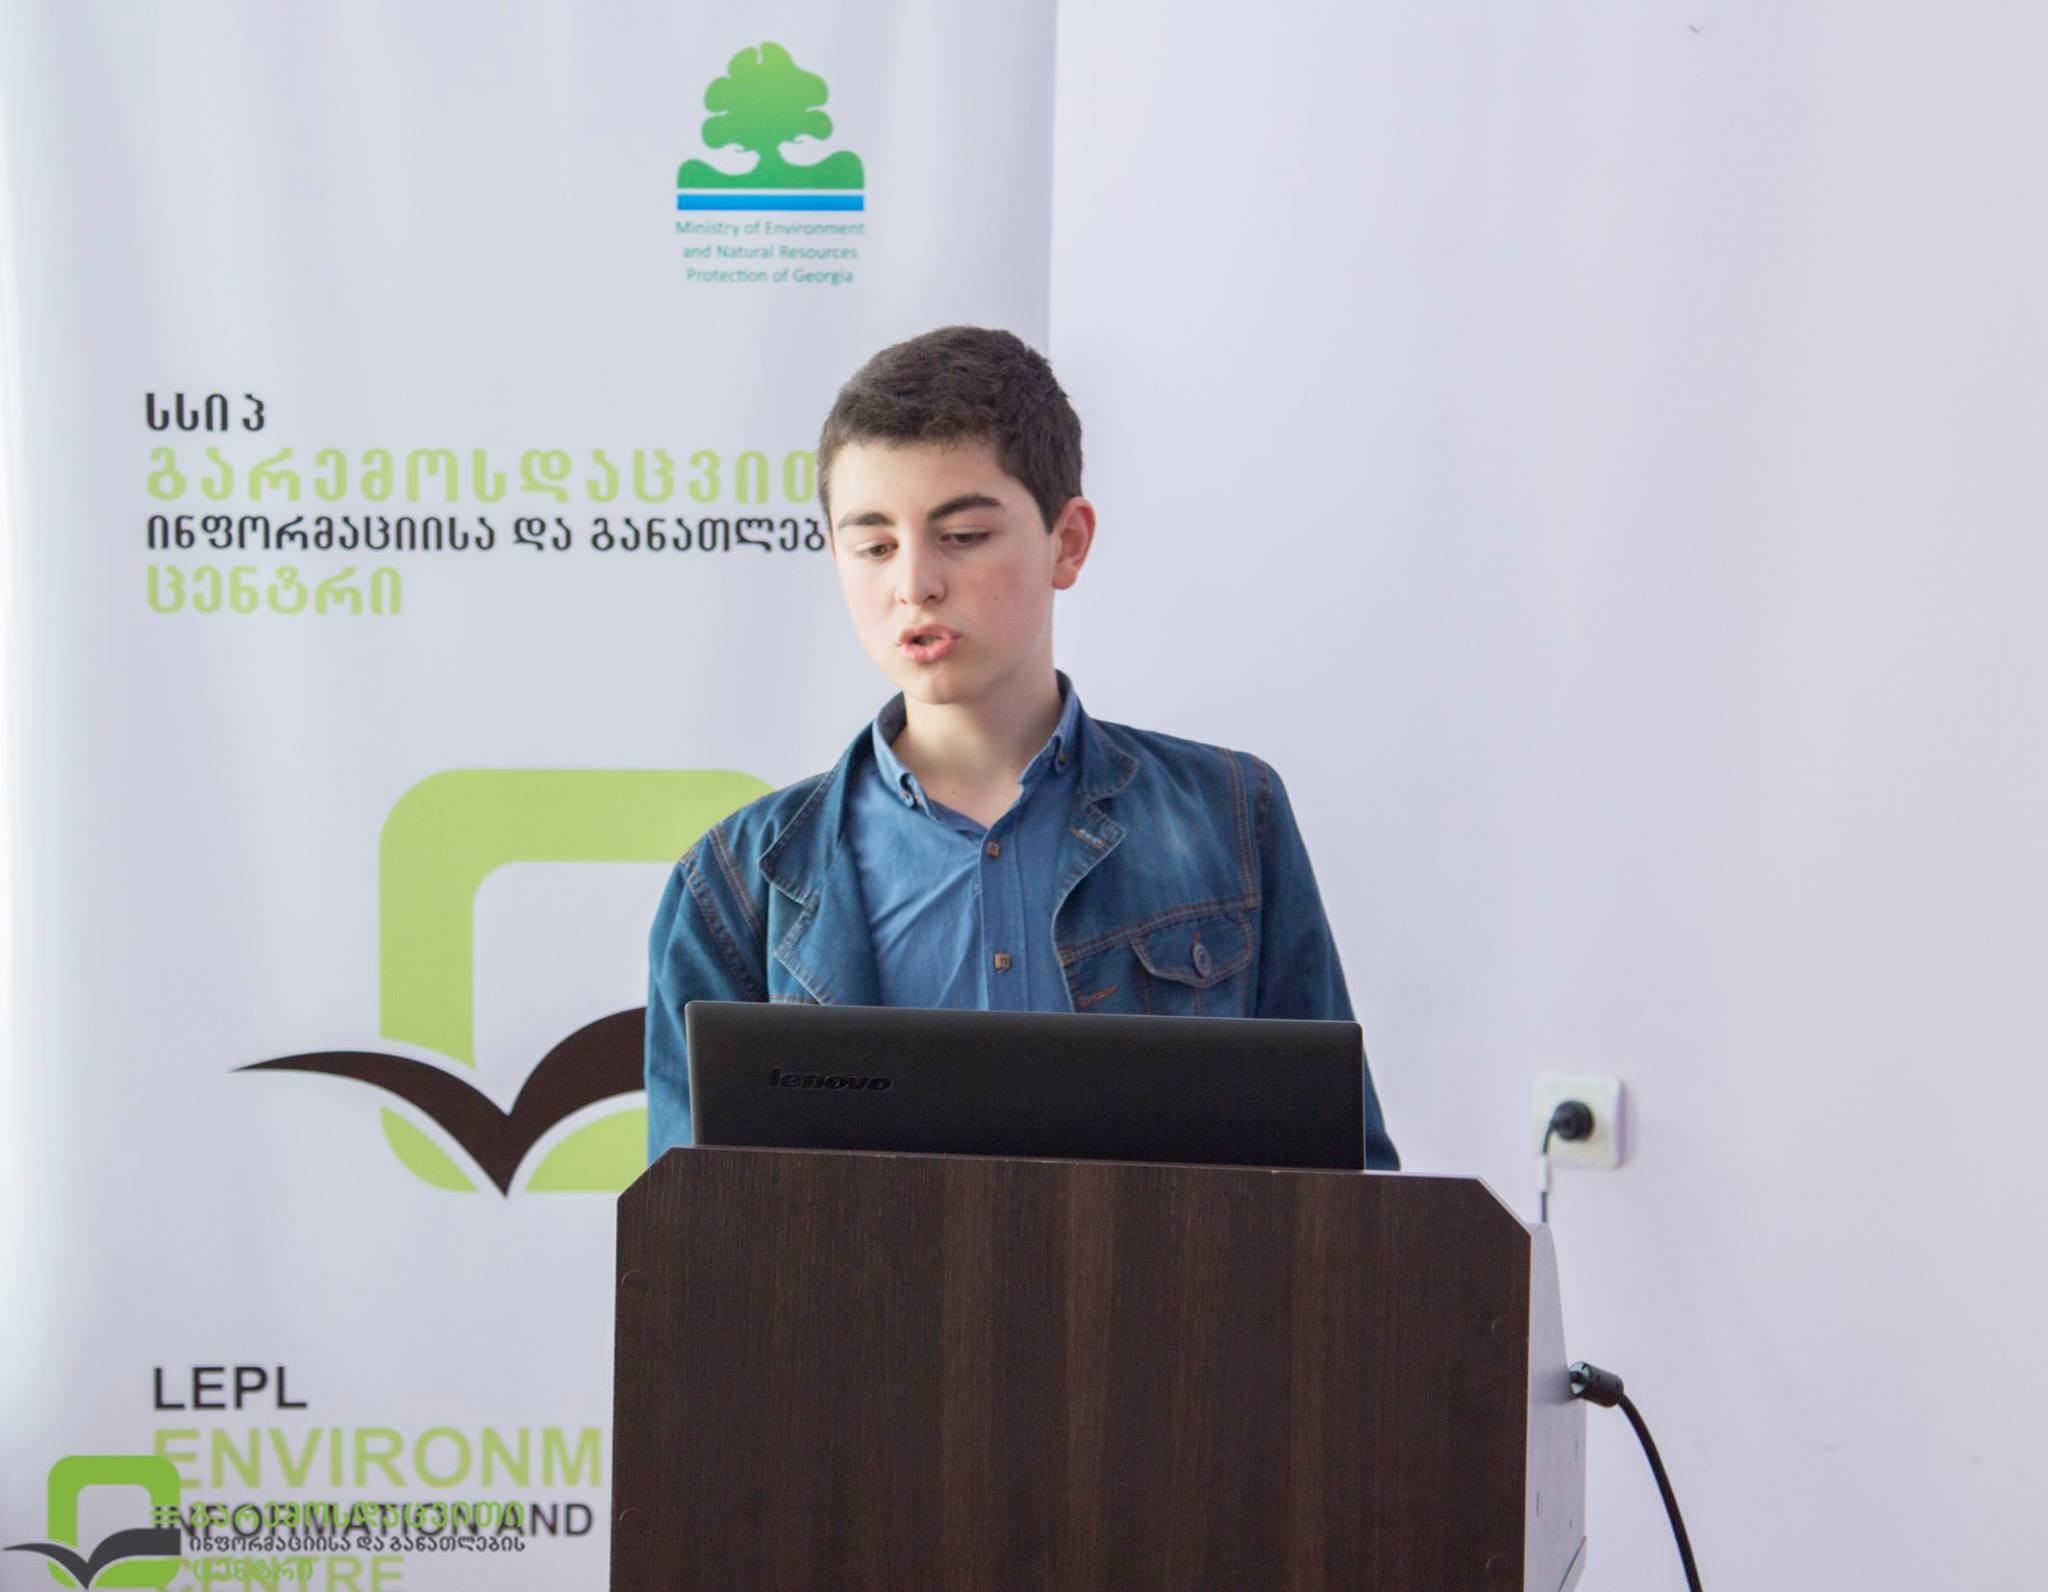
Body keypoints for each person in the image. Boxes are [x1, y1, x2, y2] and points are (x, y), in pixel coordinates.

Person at [645, 326, 1397, 1168]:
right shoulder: (737, 882)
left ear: (1066, 541)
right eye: (874, 546)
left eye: (962, 536)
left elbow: (1345, 1184)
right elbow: (694, 1228)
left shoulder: (1229, 816)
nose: (914, 584)